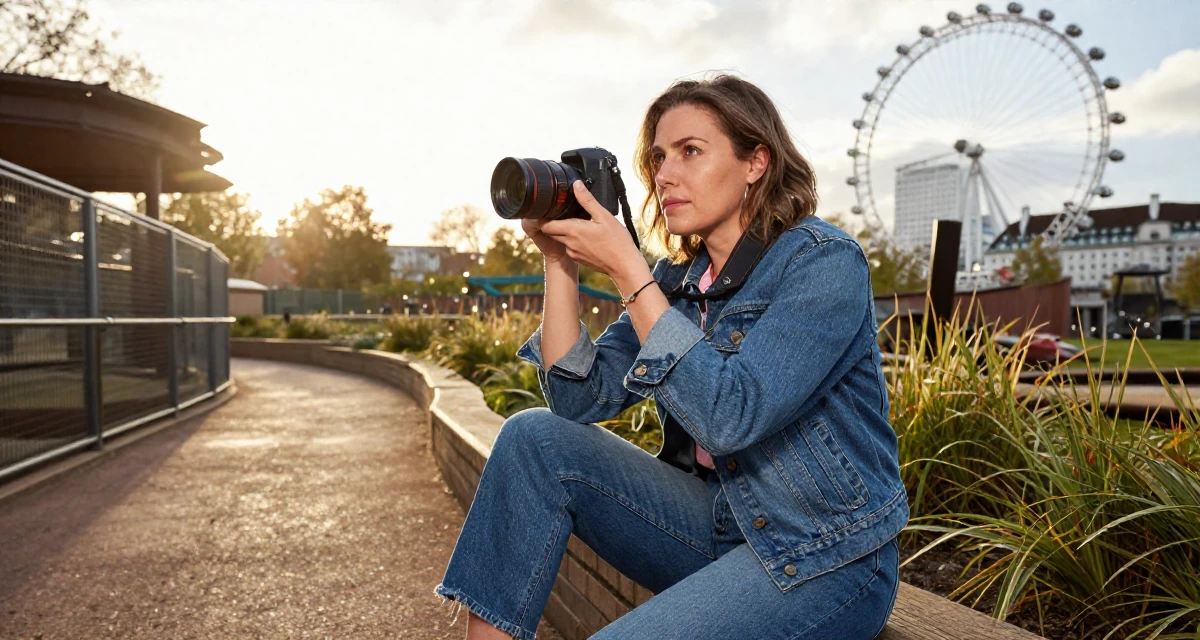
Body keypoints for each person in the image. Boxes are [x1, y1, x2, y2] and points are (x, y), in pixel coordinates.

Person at [435, 74, 907, 640]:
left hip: (819, 554)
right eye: (658, 157)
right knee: (534, 438)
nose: (665, 175)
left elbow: (733, 417)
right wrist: (559, 261)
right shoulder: (677, 280)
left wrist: (628, 271)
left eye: (690, 152)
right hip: (712, 523)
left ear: (755, 161)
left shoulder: (822, 263)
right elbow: (576, 399)